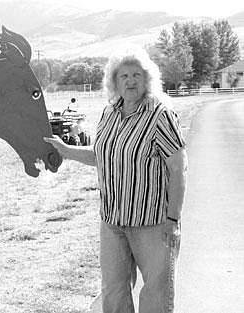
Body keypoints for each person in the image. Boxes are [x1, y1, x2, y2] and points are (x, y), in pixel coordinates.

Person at [44, 45, 187, 313]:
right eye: (124, 76)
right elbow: (100, 156)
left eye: (136, 75)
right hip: (113, 222)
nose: (131, 81)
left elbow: (179, 168)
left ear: (147, 79)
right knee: (114, 292)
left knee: (156, 294)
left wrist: (173, 218)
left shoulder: (160, 115)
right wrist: (66, 150)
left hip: (153, 223)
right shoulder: (110, 112)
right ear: (114, 81)